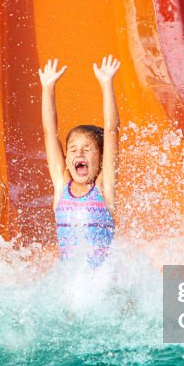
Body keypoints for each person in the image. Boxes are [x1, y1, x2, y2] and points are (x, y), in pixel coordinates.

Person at [39, 55, 120, 266]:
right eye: (73, 150)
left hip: (101, 281)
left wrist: (106, 84)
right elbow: (49, 134)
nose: (79, 154)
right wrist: (48, 88)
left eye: (87, 149)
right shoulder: (62, 187)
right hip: (70, 281)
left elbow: (111, 131)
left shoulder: (104, 187)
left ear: (101, 158)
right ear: (66, 159)